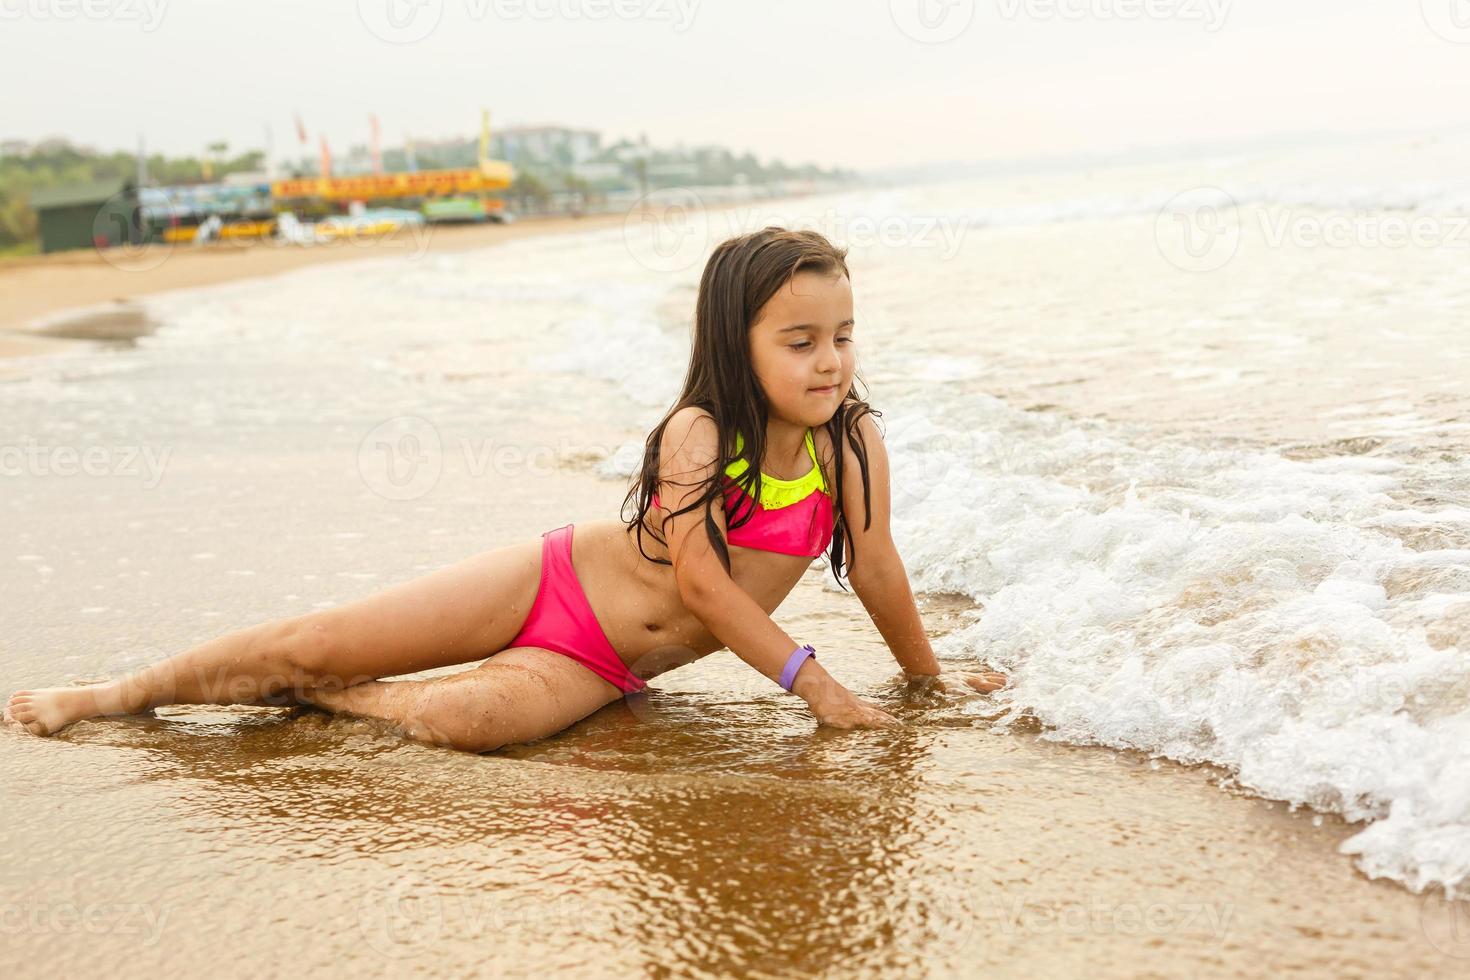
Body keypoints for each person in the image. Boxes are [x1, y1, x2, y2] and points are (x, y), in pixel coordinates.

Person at [4, 227, 1007, 751]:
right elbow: (705, 588)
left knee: (470, 723)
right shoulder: (697, 434)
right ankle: (112, 694)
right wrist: (816, 683)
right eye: (800, 340)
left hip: (611, 667)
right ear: (735, 344)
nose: (829, 360)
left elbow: (874, 561)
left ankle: (352, 703)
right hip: (554, 581)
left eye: (842, 335)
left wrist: (924, 674)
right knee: (307, 640)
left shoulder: (851, 441)